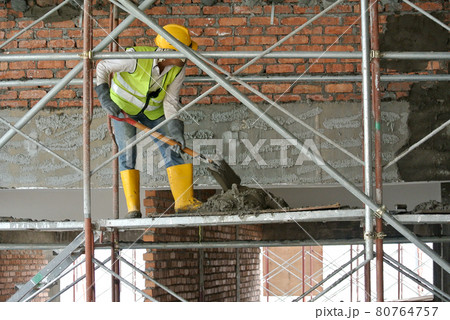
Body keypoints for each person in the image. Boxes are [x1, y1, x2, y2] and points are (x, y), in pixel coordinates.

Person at [95, 24, 202, 218]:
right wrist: (104, 97)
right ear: (168, 51)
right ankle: (133, 209)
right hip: (123, 111)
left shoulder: (178, 70)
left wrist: (176, 130)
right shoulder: (136, 58)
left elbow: (170, 102)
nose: (187, 58)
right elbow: (102, 66)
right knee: (128, 153)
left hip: (154, 114)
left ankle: (184, 203)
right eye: (184, 53)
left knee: (173, 148)